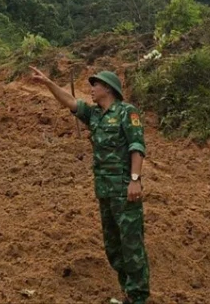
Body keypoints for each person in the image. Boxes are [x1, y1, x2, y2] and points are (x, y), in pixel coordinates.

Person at [29, 66, 150, 304]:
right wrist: (48, 83)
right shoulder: (94, 115)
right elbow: (70, 102)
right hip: (105, 191)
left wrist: (135, 180)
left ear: (107, 88)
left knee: (131, 246)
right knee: (113, 247)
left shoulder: (127, 112)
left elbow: (137, 147)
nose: (91, 90)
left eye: (95, 85)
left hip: (125, 191)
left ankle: (138, 298)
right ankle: (128, 292)